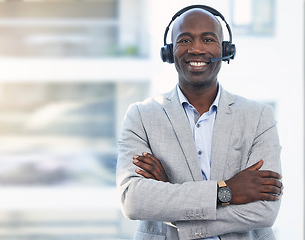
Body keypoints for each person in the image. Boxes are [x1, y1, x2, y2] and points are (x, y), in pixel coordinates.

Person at [116, 5, 283, 240]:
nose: (196, 49)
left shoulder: (259, 117)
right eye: (184, 40)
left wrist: (169, 195)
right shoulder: (141, 116)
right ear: (169, 51)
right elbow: (133, 200)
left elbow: (263, 211)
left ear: (225, 49)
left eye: (207, 39)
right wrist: (226, 191)